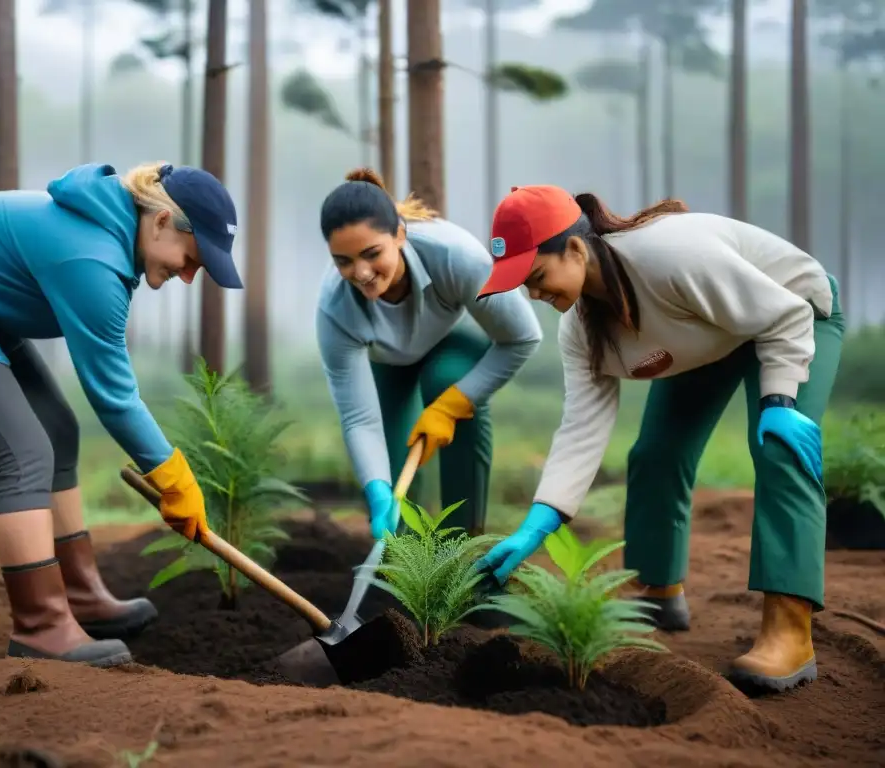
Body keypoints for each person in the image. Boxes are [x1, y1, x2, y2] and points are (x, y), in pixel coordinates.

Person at [475, 184, 844, 694]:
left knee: (782, 450)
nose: (534, 296)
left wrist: (779, 401)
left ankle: (789, 629)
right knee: (655, 455)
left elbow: (785, 315)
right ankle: (657, 591)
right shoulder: (581, 327)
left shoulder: (670, 257)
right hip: (709, 336)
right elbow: (582, 426)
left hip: (793, 316)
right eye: (523, 286)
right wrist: (533, 529)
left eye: (536, 278)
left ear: (576, 249)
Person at [0, 162, 232, 667]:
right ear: (164, 221)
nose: (189, 276)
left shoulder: (111, 238)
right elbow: (114, 396)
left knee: (57, 431)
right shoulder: (92, 258)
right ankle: (40, 626)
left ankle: (79, 596)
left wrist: (168, 475)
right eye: (194, 258)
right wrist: (172, 476)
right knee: (22, 454)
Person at [315, 168, 542, 542]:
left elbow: (522, 337)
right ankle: (404, 566)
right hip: (387, 363)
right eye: (343, 261)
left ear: (400, 234)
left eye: (372, 254)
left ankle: (462, 550)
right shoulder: (333, 307)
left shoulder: (456, 256)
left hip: (450, 345)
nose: (361, 272)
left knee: (446, 381)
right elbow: (359, 417)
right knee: (387, 467)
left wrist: (454, 403)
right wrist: (376, 489)